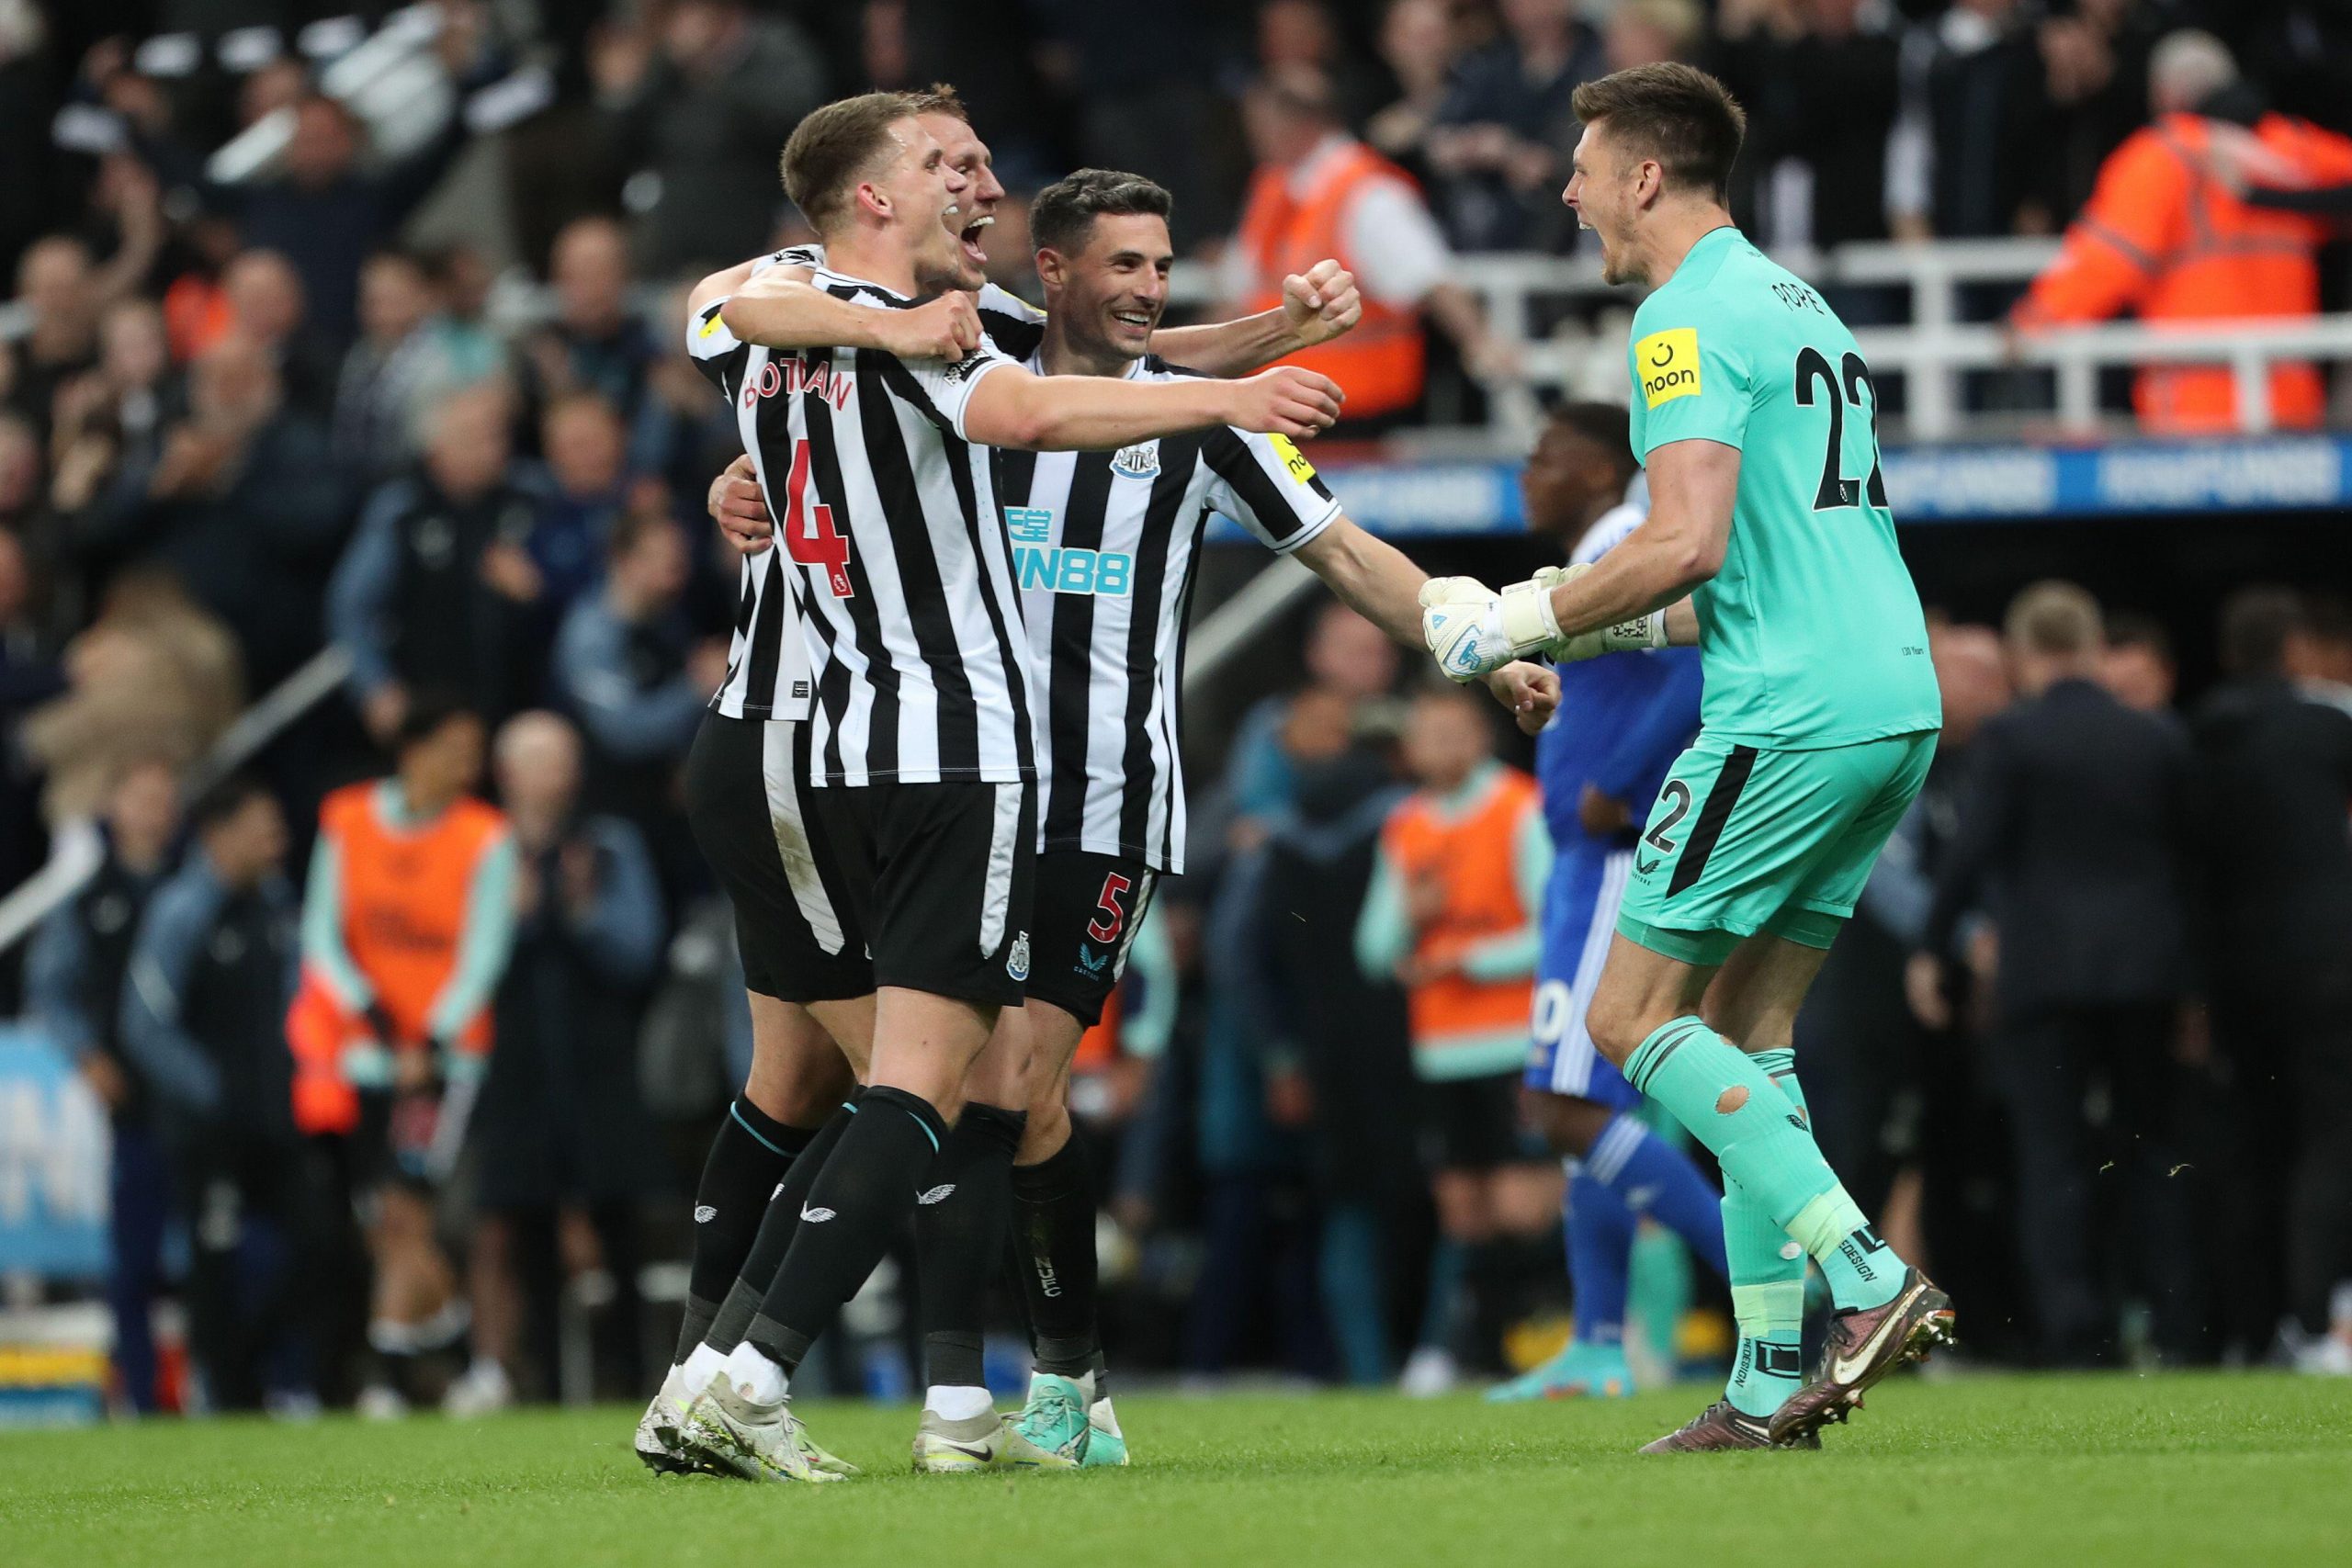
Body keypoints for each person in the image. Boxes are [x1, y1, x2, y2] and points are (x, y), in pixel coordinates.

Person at [678, 150, 1557, 1467]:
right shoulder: (979, 368)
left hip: (1101, 800)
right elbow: (765, 345)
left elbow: (1350, 553)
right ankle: (994, 1391)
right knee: (959, 1091)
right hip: (953, 779)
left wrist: (1474, 641)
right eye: (1124, 266)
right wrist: (737, 480)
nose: (1149, 289)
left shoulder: (1202, 419)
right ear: (1052, 272)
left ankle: (1006, 1390)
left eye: (1163, 265)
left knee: (1009, 1079)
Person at [1428, 62, 1954, 1451]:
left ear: (1645, 177)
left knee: (1623, 1021)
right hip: (1887, 695)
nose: (1569, 189)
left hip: (1783, 714)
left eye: (1587, 165)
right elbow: (1733, 573)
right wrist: (1583, 640)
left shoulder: (1680, 321)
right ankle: (1771, 1379)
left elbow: (1684, 541)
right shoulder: (1794, 302)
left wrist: (1511, 616)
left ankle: (1867, 1273)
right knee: (1737, 1030)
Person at [1485, 404, 1729, 1405]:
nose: (1528, 471)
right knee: (1587, 1103)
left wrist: (1621, 780)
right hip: (1588, 858)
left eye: (1546, 454)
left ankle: (1797, 1291)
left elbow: (1697, 661)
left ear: (1597, 466)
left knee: (1562, 1106)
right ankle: (1594, 1343)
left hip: (1615, 851)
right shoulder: (1593, 558)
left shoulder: (1629, 547)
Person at [1912, 583, 2201, 1367]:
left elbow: (1968, 858)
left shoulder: (2011, 738)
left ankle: (2077, 1333)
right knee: (2153, 1149)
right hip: (2147, 973)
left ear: (2022, 651)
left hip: (2041, 977)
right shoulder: (2157, 736)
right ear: (2093, 640)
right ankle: (2174, 1328)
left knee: (2053, 1156)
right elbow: (2192, 865)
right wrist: (2195, 986)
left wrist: (1935, 948)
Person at [287, 698, 516, 1416]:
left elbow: (483, 955)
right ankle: (452, 1359)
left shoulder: (486, 836)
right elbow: (322, 936)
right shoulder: (347, 819)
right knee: (380, 1217)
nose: (467, 766)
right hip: (365, 1059)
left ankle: (386, 1374)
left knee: (403, 1211)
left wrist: (431, 1038)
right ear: (411, 750)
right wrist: (381, 1024)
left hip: (445, 1067)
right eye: (455, 747)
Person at [456, 712, 666, 1415]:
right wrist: (505, 918)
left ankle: (637, 1378)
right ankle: (540, 1384)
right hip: (514, 1066)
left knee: (620, 1225)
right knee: (525, 1225)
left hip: (601, 1062)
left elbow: (640, 950)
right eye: (546, 760)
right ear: (508, 771)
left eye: (568, 759)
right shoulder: (481, 851)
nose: (562, 774)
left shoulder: (609, 846)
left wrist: (583, 913)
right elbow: (455, 969)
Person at [1356, 685, 1557, 1394]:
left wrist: (1466, 958)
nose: (1439, 747)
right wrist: (1411, 917)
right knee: (1463, 1210)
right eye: (1426, 734)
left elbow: (1551, 928)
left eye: (1453, 732)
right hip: (1440, 1049)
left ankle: (1560, 1326)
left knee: (1521, 1204)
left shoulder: (1520, 807)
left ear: (1481, 738)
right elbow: (1373, 948)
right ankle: (1471, 1347)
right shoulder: (1404, 824)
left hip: (1514, 1040)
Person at [2008, 31, 2352, 434]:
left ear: (2163, 95)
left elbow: (2105, 264)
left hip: (2193, 411)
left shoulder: (2161, 156)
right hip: (2290, 406)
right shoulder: (2290, 145)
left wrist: (2029, 323)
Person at [2188, 589, 2352, 1368]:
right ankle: (2313, 1321)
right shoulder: (2329, 723)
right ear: (2292, 649)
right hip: (2327, 959)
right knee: (2330, 1134)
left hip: (2228, 967)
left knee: (2248, 1142)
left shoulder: (2195, 736)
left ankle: (2248, 1329)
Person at [119, 773, 311, 1414]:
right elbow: (144, 1020)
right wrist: (213, 1091)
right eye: (262, 827)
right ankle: (225, 1395)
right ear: (218, 835)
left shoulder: (281, 906)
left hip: (282, 1118)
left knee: (312, 1245)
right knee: (214, 1264)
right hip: (210, 1130)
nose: (276, 839)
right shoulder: (182, 911)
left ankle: (279, 1380)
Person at [25, 758, 182, 1412]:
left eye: (163, 798)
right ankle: (141, 1392)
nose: (153, 812)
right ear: (113, 808)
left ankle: (237, 1387)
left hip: (199, 1100)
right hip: (134, 1104)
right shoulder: (90, 898)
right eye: (140, 797)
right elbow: (50, 987)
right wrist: (87, 1054)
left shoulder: (198, 883)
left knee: (216, 1249)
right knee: (134, 1255)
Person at [1227, 66, 1508, 427]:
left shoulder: (1367, 192)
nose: (1251, 134)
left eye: (1260, 121)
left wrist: (1480, 342)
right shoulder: (1272, 188)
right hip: (1284, 407)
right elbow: (1239, 294)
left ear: (1298, 122)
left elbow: (1428, 278)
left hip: (1361, 411)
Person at [328, 384, 548, 742]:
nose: (492, 449)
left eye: (496, 435)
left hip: (523, 707)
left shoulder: (534, 495)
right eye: (473, 437)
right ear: (436, 449)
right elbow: (351, 607)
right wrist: (374, 688)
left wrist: (540, 589)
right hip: (433, 709)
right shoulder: (403, 509)